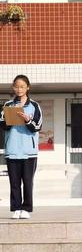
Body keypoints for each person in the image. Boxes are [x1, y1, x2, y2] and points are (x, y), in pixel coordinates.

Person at [0, 75, 43, 220]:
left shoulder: (34, 106)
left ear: (28, 88)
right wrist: (10, 120)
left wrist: (27, 120)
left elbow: (37, 127)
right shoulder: (7, 105)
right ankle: (16, 208)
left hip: (29, 152)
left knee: (28, 182)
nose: (19, 89)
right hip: (12, 151)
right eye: (16, 86)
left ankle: (26, 208)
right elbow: (2, 125)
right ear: (13, 88)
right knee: (14, 183)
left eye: (22, 86)